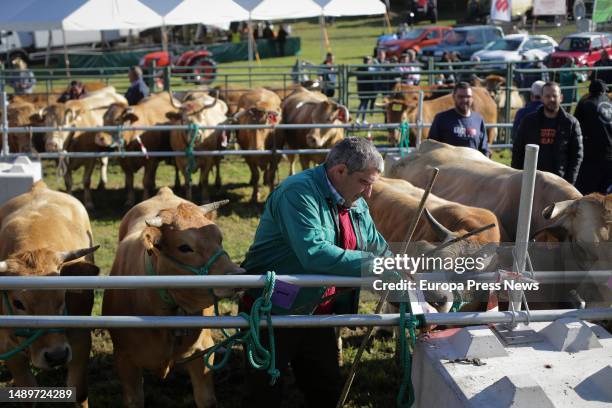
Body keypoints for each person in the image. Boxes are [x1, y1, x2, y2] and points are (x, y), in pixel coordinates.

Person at [240, 137, 392, 407]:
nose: (369, 193)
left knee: (326, 387)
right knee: (266, 391)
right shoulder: (298, 193)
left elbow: (377, 247)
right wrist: (374, 265)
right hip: (273, 309)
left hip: (317, 309)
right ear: (340, 171)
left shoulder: (355, 202)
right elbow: (314, 252)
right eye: (364, 182)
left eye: (372, 184)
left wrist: (396, 267)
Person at [512, 82, 583, 185]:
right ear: (542, 98)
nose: (551, 99)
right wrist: (517, 178)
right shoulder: (528, 121)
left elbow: (577, 156)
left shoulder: (571, 123)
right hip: (532, 180)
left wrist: (568, 183)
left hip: (559, 182)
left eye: (555, 96)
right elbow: (517, 150)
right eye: (547, 96)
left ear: (561, 98)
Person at [429, 82, 489, 156]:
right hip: (449, 166)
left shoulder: (479, 119)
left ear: (472, 98)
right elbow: (430, 146)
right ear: (454, 97)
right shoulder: (441, 118)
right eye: (461, 97)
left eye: (468, 96)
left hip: (473, 166)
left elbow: (484, 149)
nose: (464, 100)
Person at [574, 79, 612, 194]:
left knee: (585, 194)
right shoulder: (610, 102)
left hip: (591, 156)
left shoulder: (585, 102)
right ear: (603, 91)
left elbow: (576, 126)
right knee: (604, 194)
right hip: (610, 156)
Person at [356, 56, 377, 124]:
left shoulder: (370, 68)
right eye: (367, 60)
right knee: (363, 103)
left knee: (365, 104)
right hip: (363, 89)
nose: (368, 61)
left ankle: (363, 119)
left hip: (367, 89)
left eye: (368, 60)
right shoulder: (363, 68)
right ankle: (358, 118)